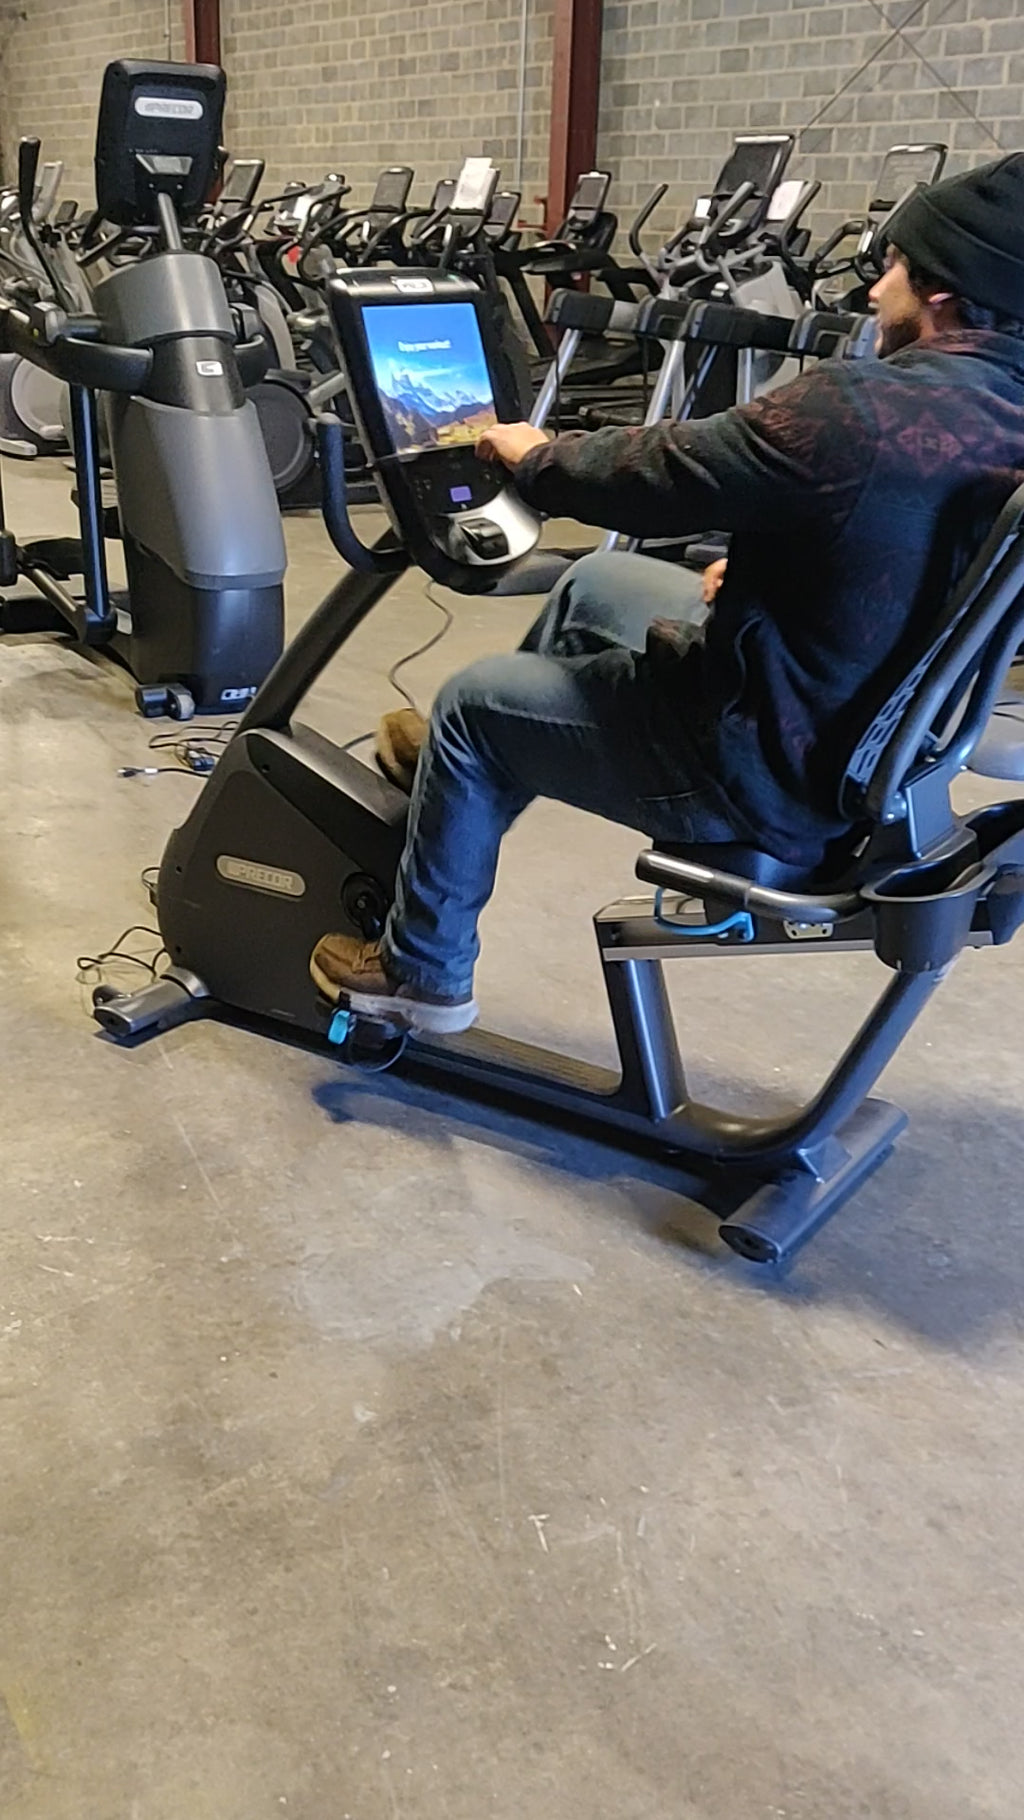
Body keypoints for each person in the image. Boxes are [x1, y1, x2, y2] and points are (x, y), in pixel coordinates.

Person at [311, 153, 1024, 1035]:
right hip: (861, 726)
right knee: (596, 581)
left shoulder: (862, 411)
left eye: (896, 270)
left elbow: (662, 474)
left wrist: (538, 458)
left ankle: (421, 974)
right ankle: (460, 790)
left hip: (765, 768)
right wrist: (783, 580)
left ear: (943, 292)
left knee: (471, 705)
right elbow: (929, 561)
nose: (877, 291)